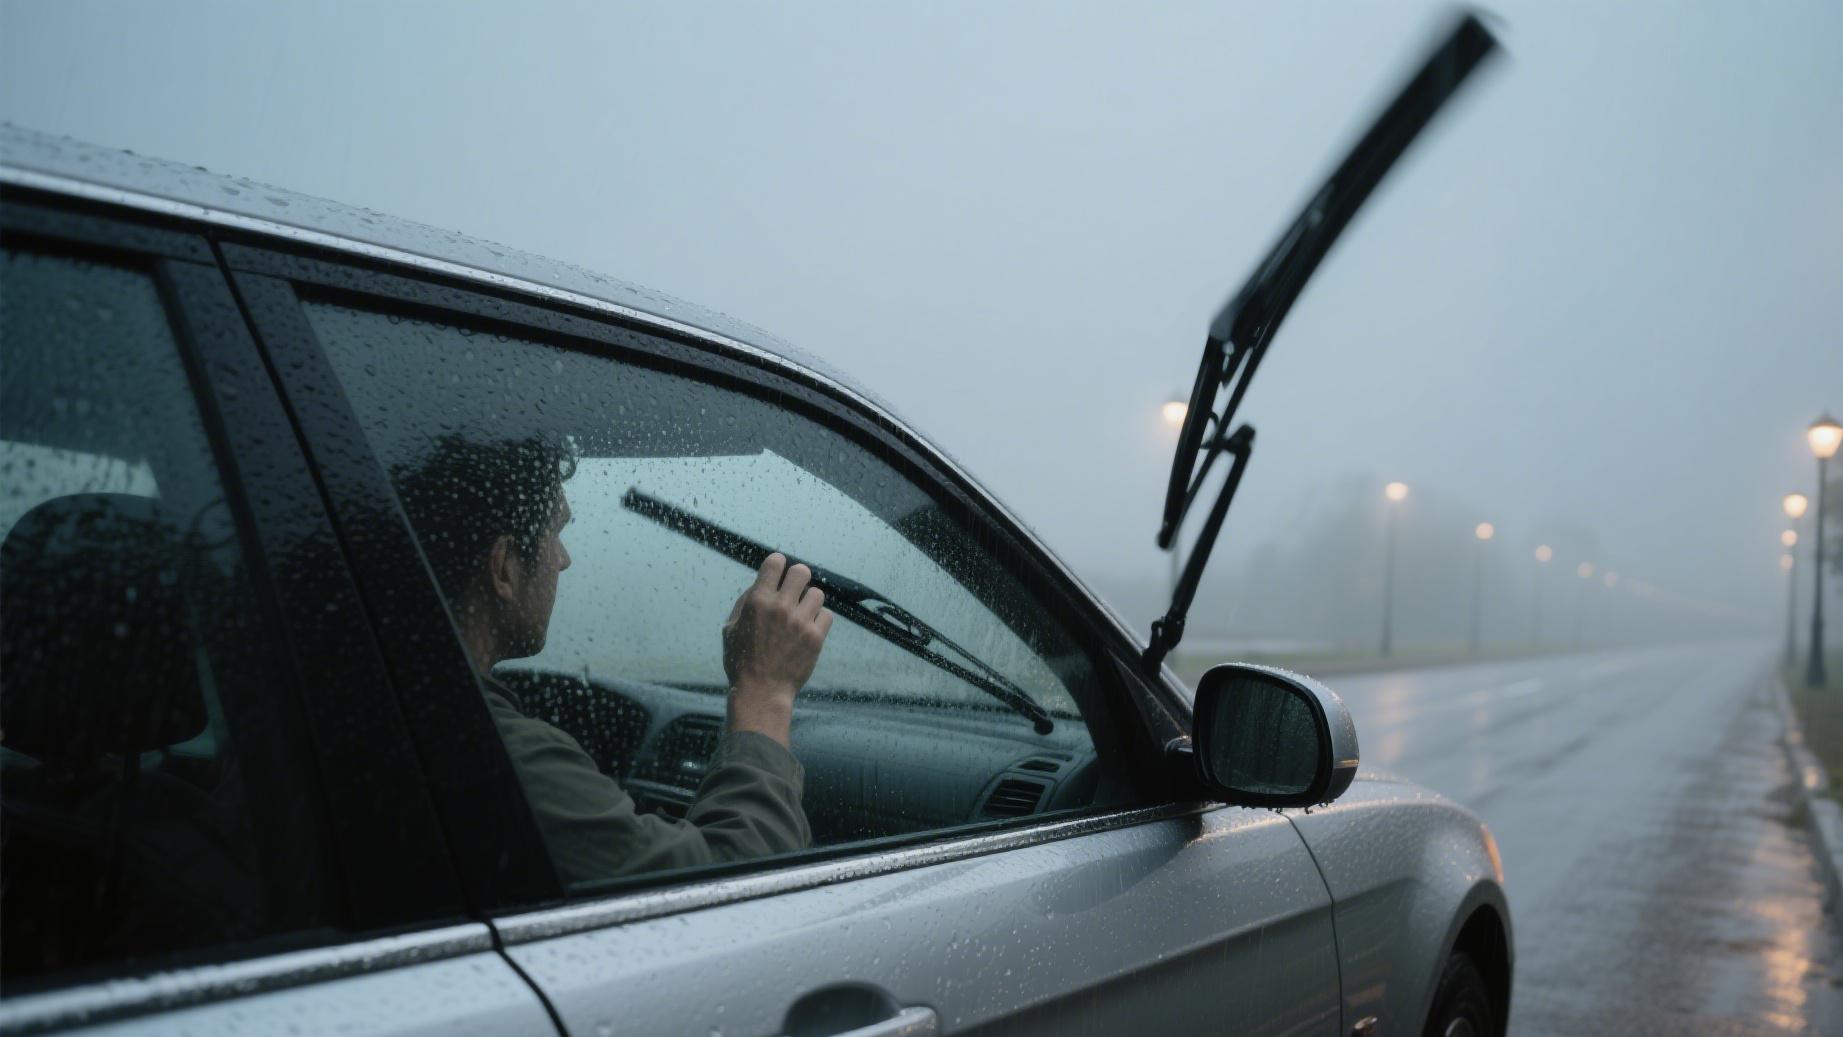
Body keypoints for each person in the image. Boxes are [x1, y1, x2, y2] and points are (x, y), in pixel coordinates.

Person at [393, 434, 832, 885]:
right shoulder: (493, 751)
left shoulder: (400, 705)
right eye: (556, 532)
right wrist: (765, 690)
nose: (563, 560)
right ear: (503, 566)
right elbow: (743, 883)